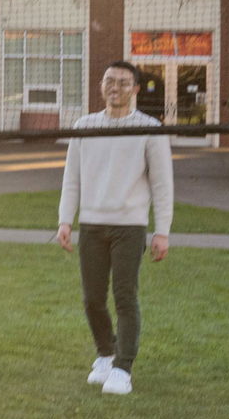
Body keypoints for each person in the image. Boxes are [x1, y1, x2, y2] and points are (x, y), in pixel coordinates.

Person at [57, 59, 174, 397]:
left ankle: (123, 368)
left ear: (135, 89)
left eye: (124, 83)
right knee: (92, 299)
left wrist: (162, 231)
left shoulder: (150, 128)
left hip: (130, 227)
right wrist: (66, 219)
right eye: (110, 81)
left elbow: (162, 185)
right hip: (92, 225)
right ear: (101, 86)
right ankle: (106, 355)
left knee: (124, 297)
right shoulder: (85, 125)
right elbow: (72, 179)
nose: (115, 87)